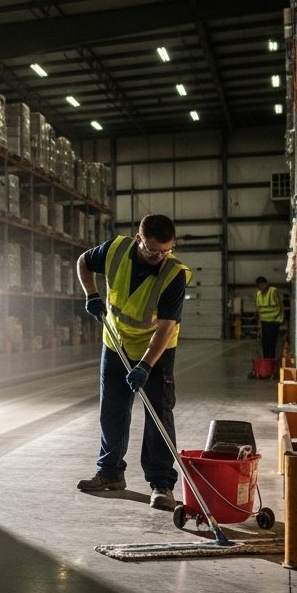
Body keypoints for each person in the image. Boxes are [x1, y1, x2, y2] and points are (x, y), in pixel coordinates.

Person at [74, 214, 193, 511]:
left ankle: (162, 484)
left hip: (157, 350)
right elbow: (83, 262)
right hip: (115, 343)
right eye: (153, 250)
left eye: (167, 250)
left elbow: (166, 326)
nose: (160, 256)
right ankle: (110, 473)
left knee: (158, 416)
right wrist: (91, 294)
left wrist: (146, 366)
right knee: (112, 411)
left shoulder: (174, 273)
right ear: (139, 239)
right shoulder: (115, 250)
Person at [255, 276, 283, 359]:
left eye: (262, 285)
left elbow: (281, 304)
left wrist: (280, 319)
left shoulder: (273, 291)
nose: (261, 287)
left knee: (272, 343)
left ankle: (271, 360)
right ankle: (266, 360)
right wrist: (259, 324)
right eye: (259, 286)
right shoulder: (258, 293)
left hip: (274, 321)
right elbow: (258, 308)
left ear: (266, 284)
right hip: (264, 321)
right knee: (265, 343)